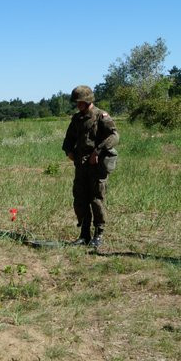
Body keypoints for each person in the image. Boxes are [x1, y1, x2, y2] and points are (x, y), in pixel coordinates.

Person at [62, 85, 119, 248]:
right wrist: (68, 151)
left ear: (87, 101)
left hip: (97, 165)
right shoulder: (77, 118)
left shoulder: (101, 116)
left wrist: (98, 151)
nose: (77, 105)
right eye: (76, 102)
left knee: (96, 200)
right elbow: (69, 139)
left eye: (79, 102)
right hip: (81, 166)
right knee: (80, 199)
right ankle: (84, 234)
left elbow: (114, 136)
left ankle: (98, 234)